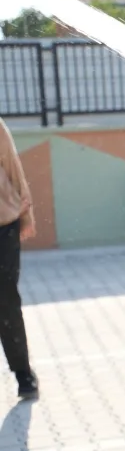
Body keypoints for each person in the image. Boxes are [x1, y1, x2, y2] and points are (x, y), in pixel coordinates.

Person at [0, 117, 38, 399]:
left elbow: (12, 165)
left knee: (6, 298)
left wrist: (26, 214)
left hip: (3, 222)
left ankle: (23, 373)